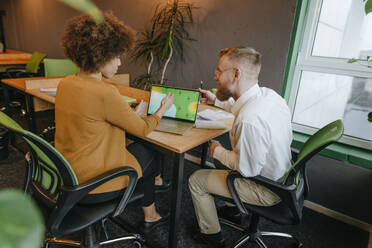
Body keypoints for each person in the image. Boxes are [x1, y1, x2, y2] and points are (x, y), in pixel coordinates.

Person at [55, 12, 174, 232]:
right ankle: (151, 215)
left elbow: (94, 119)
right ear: (100, 56)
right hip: (95, 184)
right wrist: (162, 110)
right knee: (151, 151)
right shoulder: (105, 92)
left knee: (139, 151)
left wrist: (132, 114)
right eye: (116, 56)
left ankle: (150, 206)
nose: (120, 62)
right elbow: (143, 129)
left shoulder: (65, 83)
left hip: (69, 173)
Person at [189, 46, 292, 247]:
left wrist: (216, 150)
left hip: (266, 187)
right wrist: (215, 100)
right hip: (283, 176)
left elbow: (247, 169)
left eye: (219, 71)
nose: (216, 76)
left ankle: (211, 236)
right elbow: (239, 105)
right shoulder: (268, 96)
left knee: (196, 180)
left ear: (236, 73)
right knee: (223, 159)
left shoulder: (249, 119)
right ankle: (233, 210)